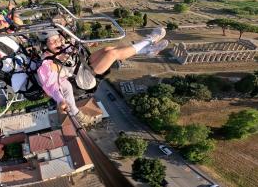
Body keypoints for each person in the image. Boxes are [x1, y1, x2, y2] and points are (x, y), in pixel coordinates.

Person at [37, 27, 169, 125]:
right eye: (52, 42)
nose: (58, 43)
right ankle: (148, 41)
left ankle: (147, 50)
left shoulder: (63, 47)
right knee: (112, 55)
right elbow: (52, 87)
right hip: (83, 79)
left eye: (58, 39)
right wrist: (61, 101)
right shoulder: (47, 65)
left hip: (83, 64)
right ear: (44, 46)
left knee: (109, 49)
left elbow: (75, 49)